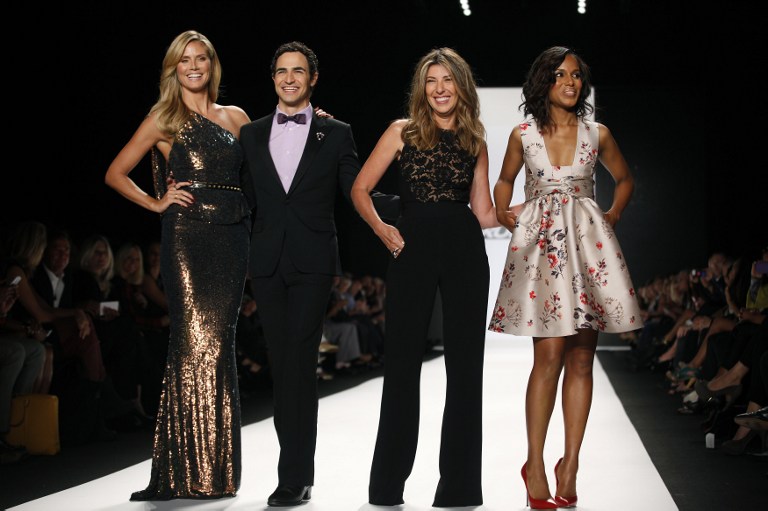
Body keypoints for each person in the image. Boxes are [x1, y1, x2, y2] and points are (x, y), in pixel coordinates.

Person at [239, 40, 398, 507]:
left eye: (299, 71)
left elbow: (356, 190)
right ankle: (294, 468)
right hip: (266, 262)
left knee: (299, 364)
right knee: (282, 363)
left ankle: (294, 477)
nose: (290, 78)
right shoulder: (251, 134)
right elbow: (240, 194)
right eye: (282, 71)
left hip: (312, 262)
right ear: (273, 78)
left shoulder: (336, 132)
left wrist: (402, 213)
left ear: (312, 79)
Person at [487, 46, 643, 509]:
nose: (571, 82)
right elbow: (504, 179)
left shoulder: (599, 133)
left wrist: (612, 213)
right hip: (543, 250)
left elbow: (626, 179)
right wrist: (500, 207)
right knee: (549, 356)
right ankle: (534, 464)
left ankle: (569, 463)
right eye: (560, 75)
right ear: (544, 82)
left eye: (576, 75)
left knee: (580, 358)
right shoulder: (523, 133)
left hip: (588, 247)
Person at [104, 30, 251, 501]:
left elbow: (264, 171)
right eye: (184, 60)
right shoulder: (163, 117)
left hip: (232, 239)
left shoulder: (237, 117)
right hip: (186, 240)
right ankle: (179, 472)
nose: (193, 66)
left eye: (201, 58)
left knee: (219, 347)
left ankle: (214, 472)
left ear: (212, 63)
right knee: (192, 345)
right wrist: (156, 202)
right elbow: (115, 172)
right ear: (174, 68)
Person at [350, 47, 497, 507]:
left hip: (465, 252)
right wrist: (382, 228)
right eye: (432, 80)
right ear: (422, 87)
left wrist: (531, 211)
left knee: (466, 370)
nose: (439, 88)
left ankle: (458, 489)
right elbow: (360, 188)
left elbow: (484, 212)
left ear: (461, 86)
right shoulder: (402, 131)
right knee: (400, 368)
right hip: (409, 250)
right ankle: (387, 486)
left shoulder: (475, 139)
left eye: (448, 80)